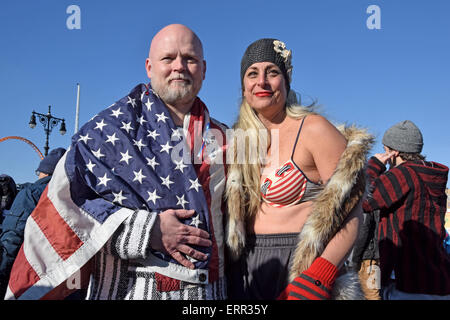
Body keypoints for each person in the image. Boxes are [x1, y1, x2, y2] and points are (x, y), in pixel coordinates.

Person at [5, 24, 227, 300]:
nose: (179, 66)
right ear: (149, 67)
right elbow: (70, 207)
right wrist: (148, 230)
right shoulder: (106, 132)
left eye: (190, 59)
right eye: (168, 58)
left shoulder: (225, 139)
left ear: (203, 69)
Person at [225, 38, 373, 300]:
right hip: (247, 269)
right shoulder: (238, 140)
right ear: (243, 86)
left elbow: (354, 209)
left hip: (300, 267)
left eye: (272, 72)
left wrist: (319, 275)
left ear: (286, 80)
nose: (262, 81)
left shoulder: (314, 129)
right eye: (252, 73)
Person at [362, 120, 450, 300]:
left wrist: (374, 166)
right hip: (436, 276)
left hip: (406, 277)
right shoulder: (432, 175)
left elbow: (365, 201)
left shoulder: (403, 174)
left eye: (386, 149)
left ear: (394, 151)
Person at [0, 148, 66, 298]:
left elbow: (13, 237)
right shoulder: (77, 195)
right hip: (65, 280)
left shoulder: (32, 194)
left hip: (29, 276)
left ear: (47, 172)